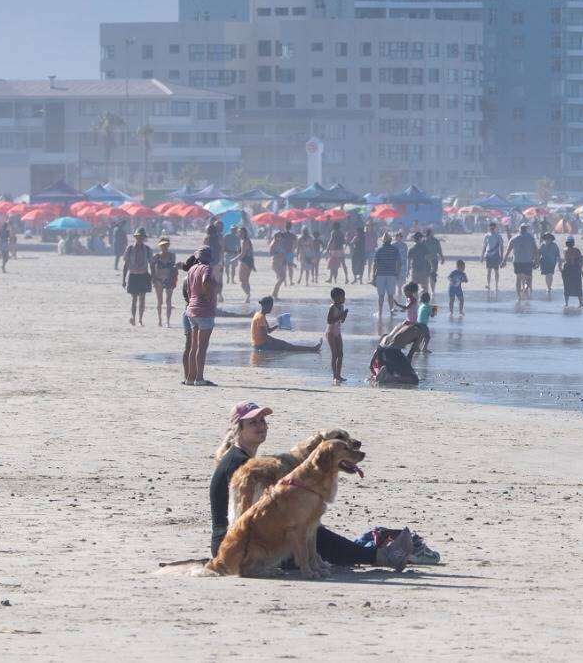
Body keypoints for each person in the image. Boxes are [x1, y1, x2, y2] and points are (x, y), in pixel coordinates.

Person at [208, 402, 411, 571]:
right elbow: (248, 519)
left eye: (263, 420)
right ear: (239, 429)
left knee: (308, 528)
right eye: (253, 422)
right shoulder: (241, 465)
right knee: (306, 530)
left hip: (236, 544)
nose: (261, 425)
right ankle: (380, 557)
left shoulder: (241, 458)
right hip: (238, 547)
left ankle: (372, 554)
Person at [182, 246, 221, 386]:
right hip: (204, 310)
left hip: (191, 310)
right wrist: (208, 295)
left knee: (193, 346)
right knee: (202, 346)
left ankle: (190, 378)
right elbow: (205, 281)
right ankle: (199, 378)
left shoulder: (191, 269)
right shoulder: (206, 269)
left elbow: (188, 289)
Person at [250, 296, 321, 353]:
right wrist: (276, 343)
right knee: (288, 347)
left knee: (287, 345)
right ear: (266, 305)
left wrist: (278, 325)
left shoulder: (259, 314)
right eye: (271, 306)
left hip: (258, 343)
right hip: (261, 345)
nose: (271, 308)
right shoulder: (261, 317)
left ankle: (312, 349)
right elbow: (264, 336)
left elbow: (268, 331)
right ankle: (313, 349)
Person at [120, 227, 152, 325]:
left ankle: (140, 320)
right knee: (134, 299)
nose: (139, 238)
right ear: (135, 237)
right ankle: (133, 317)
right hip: (133, 275)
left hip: (143, 275)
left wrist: (153, 277)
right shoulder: (130, 249)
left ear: (143, 238)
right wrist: (123, 279)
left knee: (142, 298)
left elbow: (152, 264)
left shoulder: (147, 249)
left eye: (141, 237)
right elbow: (126, 265)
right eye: (138, 236)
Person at [371, 233, 401, 328]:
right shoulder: (395, 250)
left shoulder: (379, 250)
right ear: (390, 240)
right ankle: (391, 311)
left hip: (380, 274)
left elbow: (375, 264)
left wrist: (373, 276)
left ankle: (380, 312)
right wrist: (397, 273)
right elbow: (399, 263)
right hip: (391, 274)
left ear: (383, 241)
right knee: (390, 295)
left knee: (381, 295)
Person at [151, 236, 179, 326]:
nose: (164, 247)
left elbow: (173, 267)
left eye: (166, 245)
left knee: (169, 301)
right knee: (160, 301)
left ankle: (168, 321)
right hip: (158, 280)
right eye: (163, 245)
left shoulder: (172, 256)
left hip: (169, 279)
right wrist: (153, 278)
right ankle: (159, 320)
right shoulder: (157, 256)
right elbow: (151, 266)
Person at [508, 224, 537, 301]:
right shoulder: (530, 238)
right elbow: (535, 250)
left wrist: (504, 260)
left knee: (518, 278)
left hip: (517, 261)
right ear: (526, 229)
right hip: (527, 261)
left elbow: (508, 250)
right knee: (528, 277)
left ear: (519, 229)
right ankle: (525, 288)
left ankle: (519, 297)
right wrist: (536, 260)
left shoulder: (514, 238)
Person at [327, 287, 348, 384]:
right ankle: (334, 376)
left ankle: (339, 375)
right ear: (336, 298)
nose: (344, 298)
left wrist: (344, 315)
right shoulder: (332, 307)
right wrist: (340, 316)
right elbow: (329, 321)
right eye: (342, 296)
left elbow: (342, 321)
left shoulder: (342, 307)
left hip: (338, 332)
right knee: (334, 354)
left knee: (341, 354)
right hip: (330, 332)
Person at [561, 238, 583, 308]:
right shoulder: (576, 250)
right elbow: (581, 260)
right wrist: (581, 269)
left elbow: (568, 260)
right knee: (577, 287)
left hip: (569, 269)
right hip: (575, 269)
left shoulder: (565, 250)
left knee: (567, 287)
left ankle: (567, 304)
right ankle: (580, 303)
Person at [481, 225, 504, 293]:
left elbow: (501, 246)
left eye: (493, 227)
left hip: (496, 255)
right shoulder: (487, 235)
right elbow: (484, 246)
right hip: (488, 255)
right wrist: (482, 256)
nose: (492, 229)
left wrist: (501, 256)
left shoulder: (498, 236)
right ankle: (488, 285)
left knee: (496, 271)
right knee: (489, 271)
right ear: (489, 228)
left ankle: (496, 286)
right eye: (491, 227)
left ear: (495, 228)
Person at [236, 227, 256, 301]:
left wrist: (233, 259)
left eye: (240, 232)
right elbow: (251, 253)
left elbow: (243, 254)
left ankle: (248, 295)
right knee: (245, 280)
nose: (239, 234)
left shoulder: (244, 241)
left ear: (244, 233)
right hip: (249, 262)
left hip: (245, 262)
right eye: (239, 232)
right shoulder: (247, 241)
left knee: (242, 280)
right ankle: (248, 296)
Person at [539, 232, 560, 297]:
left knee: (550, 274)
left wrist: (560, 262)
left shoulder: (554, 245)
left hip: (552, 262)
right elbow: (539, 254)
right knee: (547, 275)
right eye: (546, 238)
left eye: (549, 238)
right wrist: (536, 261)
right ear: (545, 239)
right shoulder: (542, 245)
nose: (548, 239)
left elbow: (558, 254)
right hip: (544, 262)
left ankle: (549, 287)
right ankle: (548, 287)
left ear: (551, 239)